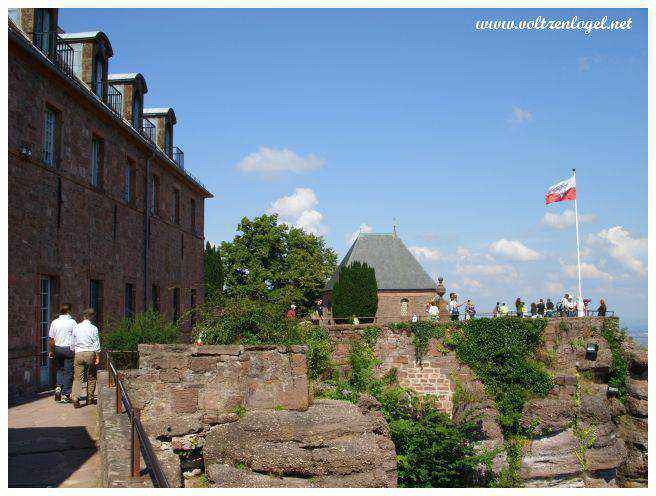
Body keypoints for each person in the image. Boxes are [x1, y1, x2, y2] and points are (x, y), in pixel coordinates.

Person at [71, 308, 101, 409]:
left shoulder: (76, 327)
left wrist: (73, 350)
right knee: (91, 376)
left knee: (78, 377)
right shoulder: (94, 328)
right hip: (89, 352)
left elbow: (72, 342)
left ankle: (76, 398)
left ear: (84, 316)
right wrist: (97, 356)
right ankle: (90, 398)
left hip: (79, 353)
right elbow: (96, 343)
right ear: (92, 317)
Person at [48, 303, 77, 403]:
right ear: (69, 311)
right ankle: (66, 394)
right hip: (68, 349)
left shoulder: (55, 322)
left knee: (60, 369)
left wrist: (51, 351)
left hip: (58, 348)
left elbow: (52, 339)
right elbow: (76, 337)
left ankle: (58, 388)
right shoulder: (72, 322)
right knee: (69, 371)